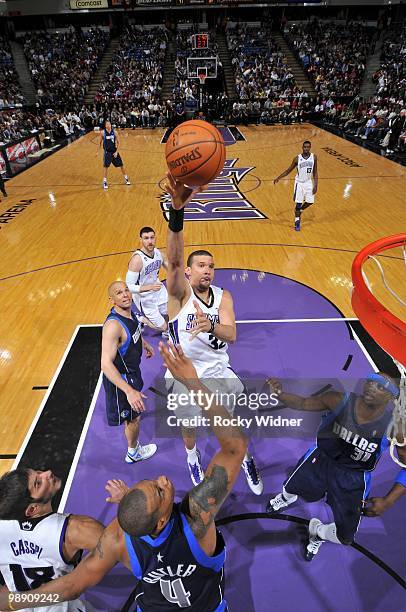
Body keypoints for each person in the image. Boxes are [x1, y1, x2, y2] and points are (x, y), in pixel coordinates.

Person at [0, 342, 248, 611]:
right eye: (160, 491)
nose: (164, 479)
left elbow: (72, 586)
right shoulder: (196, 518)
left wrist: (15, 601)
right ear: (163, 520)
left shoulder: (118, 539)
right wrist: (193, 382)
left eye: (153, 483)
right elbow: (234, 448)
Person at [163, 172, 263, 495]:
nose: (207, 269)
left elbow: (231, 334)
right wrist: (177, 212)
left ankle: (242, 455)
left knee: (231, 420)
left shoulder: (224, 297)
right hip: (184, 375)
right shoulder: (179, 296)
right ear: (190, 272)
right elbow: (174, 261)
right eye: (201, 265)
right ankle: (192, 456)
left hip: (219, 371)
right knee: (189, 425)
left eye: (211, 265)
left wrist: (210, 324)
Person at [266, 372, 406, 561]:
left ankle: (318, 532)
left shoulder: (395, 428)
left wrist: (389, 500)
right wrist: (279, 394)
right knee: (290, 487)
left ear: (391, 397)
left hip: (353, 479)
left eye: (381, 387)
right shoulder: (339, 400)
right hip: (320, 461)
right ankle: (285, 498)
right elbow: (303, 403)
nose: (372, 387)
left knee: (345, 537)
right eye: (371, 381)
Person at [0, 467, 104, 611]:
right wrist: (125, 501)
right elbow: (127, 548)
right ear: (32, 509)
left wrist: (15, 601)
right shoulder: (76, 529)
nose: (47, 473)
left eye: (38, 472)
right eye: (38, 483)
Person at [101, 281, 157, 464]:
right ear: (112, 299)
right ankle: (133, 452)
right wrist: (129, 391)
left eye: (126, 290)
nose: (125, 295)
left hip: (133, 372)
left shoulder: (129, 312)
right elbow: (105, 364)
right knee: (133, 418)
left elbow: (133, 333)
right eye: (119, 293)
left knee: (136, 414)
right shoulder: (113, 326)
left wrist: (144, 344)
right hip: (122, 380)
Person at [126, 226, 169, 335]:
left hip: (158, 290)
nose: (150, 241)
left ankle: (165, 327)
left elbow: (170, 268)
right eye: (146, 238)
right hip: (144, 296)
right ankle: (141, 319)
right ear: (140, 240)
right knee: (164, 327)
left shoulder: (158, 253)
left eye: (152, 237)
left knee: (170, 313)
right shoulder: (137, 260)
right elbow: (129, 287)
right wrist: (150, 287)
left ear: (155, 238)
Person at [274, 140, 318, 231]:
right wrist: (279, 177)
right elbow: (288, 170)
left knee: (310, 202)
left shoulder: (314, 157)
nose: (306, 148)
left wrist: (316, 185)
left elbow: (315, 172)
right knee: (298, 203)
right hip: (299, 183)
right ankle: (297, 222)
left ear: (310, 147)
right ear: (302, 148)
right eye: (305, 147)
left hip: (309, 182)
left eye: (308, 147)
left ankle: (299, 210)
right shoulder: (297, 159)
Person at [98, 120, 130, 190]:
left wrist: (116, 152)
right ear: (105, 125)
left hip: (114, 152)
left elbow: (119, 143)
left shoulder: (115, 132)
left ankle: (126, 178)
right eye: (107, 124)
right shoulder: (103, 133)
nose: (109, 125)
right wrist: (97, 152)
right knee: (106, 167)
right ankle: (105, 181)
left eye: (110, 124)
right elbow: (99, 143)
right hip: (107, 152)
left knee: (121, 165)